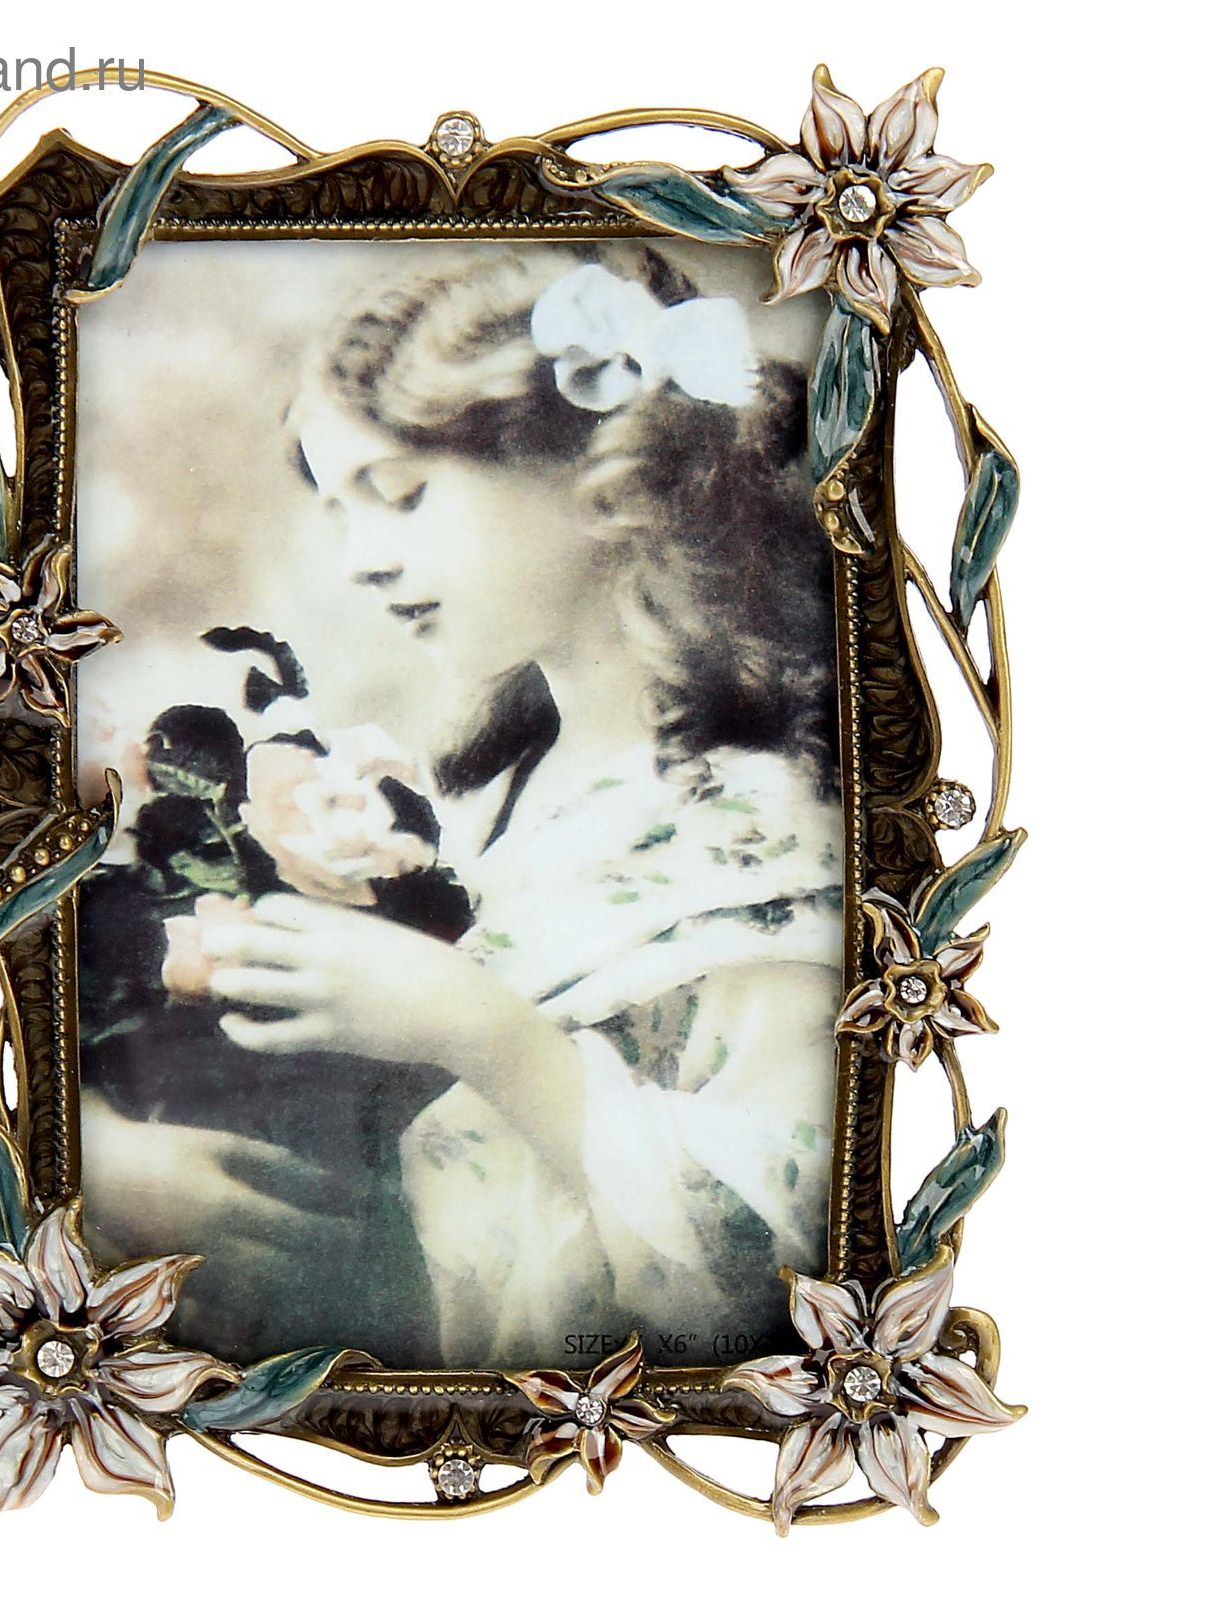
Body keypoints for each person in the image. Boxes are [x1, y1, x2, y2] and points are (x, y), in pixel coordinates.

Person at [188, 244, 845, 1367]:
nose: (360, 562)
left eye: (399, 496)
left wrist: (477, 1027)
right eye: (339, 513)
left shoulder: (767, 819)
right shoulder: (486, 790)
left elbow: (782, 1268)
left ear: (599, 473)